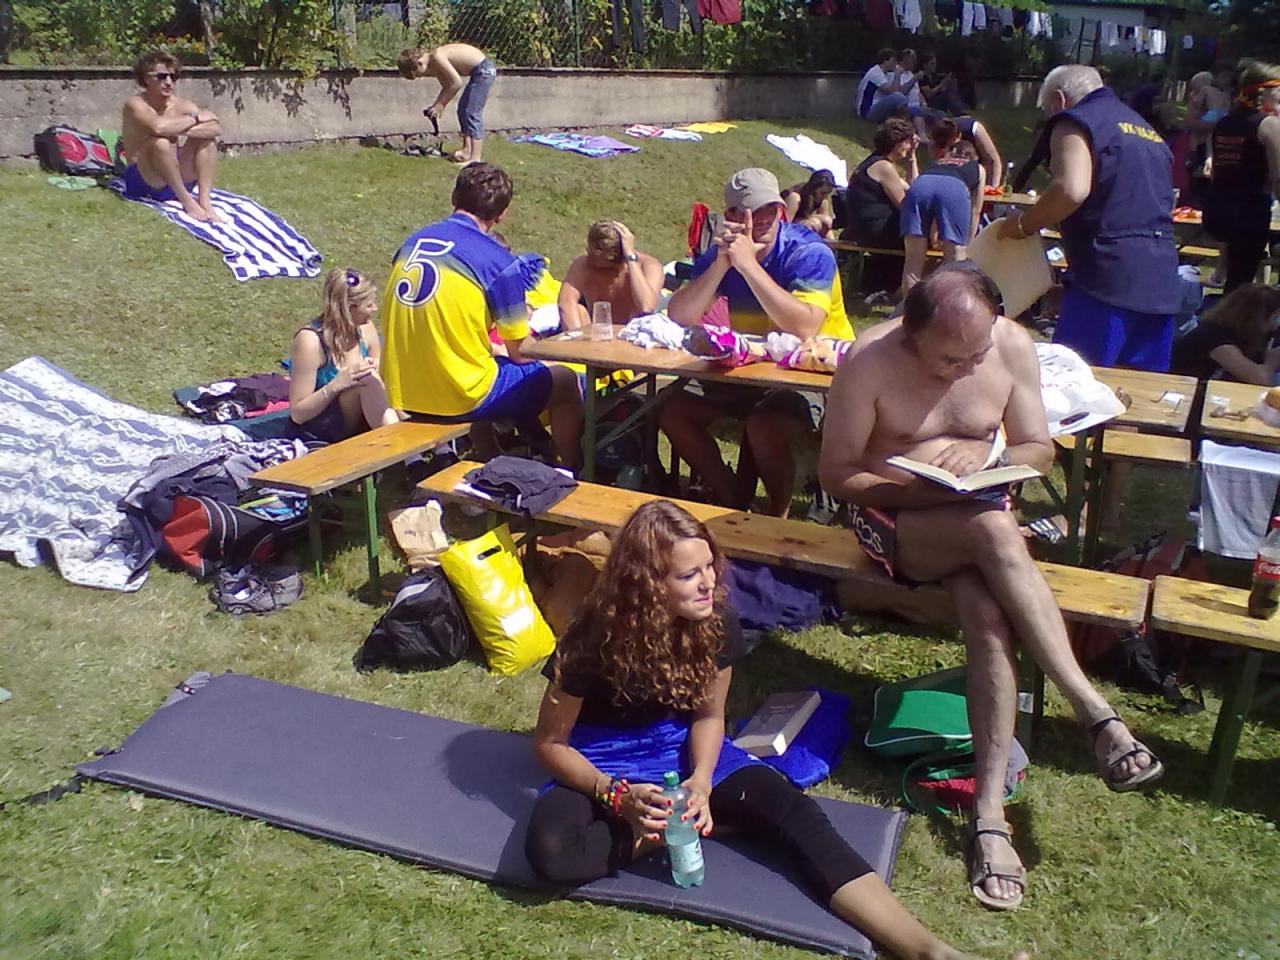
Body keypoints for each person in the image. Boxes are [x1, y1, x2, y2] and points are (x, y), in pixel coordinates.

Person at [526, 500, 1026, 960]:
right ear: (649, 584)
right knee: (554, 854)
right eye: (689, 575)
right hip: (603, 757)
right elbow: (550, 743)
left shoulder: (715, 620)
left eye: (709, 567)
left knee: (795, 813)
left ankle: (931, 952)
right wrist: (615, 796)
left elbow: (708, 717)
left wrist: (701, 781)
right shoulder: (591, 638)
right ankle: (694, 824)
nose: (708, 583)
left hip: (682, 750)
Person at [819, 263, 1165, 912]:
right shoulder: (868, 360)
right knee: (996, 532)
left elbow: (1038, 449)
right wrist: (922, 488)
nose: (966, 368)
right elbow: (837, 475)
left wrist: (991, 457)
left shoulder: (1009, 345)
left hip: (978, 511)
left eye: (975, 354)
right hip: (892, 519)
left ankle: (988, 818)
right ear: (911, 334)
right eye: (950, 359)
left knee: (987, 617)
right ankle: (1094, 713)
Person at [663, 168, 853, 517]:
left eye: (771, 208)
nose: (764, 218)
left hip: (817, 371)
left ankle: (776, 520)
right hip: (752, 367)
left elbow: (805, 327)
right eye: (752, 211)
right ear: (732, 216)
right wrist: (721, 265)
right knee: (672, 409)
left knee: (765, 425)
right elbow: (680, 314)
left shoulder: (808, 253)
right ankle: (733, 501)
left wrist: (749, 266)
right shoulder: (724, 252)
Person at [379, 163, 583, 467]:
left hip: (402, 390)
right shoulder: (498, 261)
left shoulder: (411, 244)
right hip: (455, 395)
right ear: (502, 214)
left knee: (483, 366)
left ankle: (492, 460)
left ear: (454, 198)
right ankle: (572, 472)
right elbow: (520, 352)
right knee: (565, 380)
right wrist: (556, 351)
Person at [999, 65, 1180, 372]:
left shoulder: (1075, 121)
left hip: (1105, 278)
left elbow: (1071, 190)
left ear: (1058, 100)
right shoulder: (1147, 132)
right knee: (1140, 392)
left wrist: (1022, 225)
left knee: (1073, 386)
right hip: (1161, 281)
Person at [286, 268, 399, 443]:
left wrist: (378, 366)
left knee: (378, 376)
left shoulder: (366, 329)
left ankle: (411, 437)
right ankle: (402, 445)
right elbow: (298, 414)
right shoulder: (310, 341)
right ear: (350, 308)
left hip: (365, 416)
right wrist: (337, 385)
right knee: (367, 379)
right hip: (324, 426)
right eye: (369, 305)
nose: (375, 309)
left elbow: (383, 375)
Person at [1204, 59, 1280, 294]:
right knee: (1242, 284)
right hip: (1250, 213)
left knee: (1235, 282)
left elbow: (1217, 170)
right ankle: (1233, 317)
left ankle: (1225, 313)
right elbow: (1278, 177)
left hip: (1219, 209)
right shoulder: (1268, 125)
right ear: (1264, 93)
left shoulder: (1224, 123)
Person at [120, 50, 222, 222]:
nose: (168, 82)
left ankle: (205, 201)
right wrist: (194, 119)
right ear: (145, 78)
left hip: (175, 175)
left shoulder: (181, 105)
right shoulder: (136, 104)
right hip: (145, 180)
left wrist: (179, 129)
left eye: (173, 77)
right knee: (160, 142)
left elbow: (215, 127)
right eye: (161, 77)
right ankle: (188, 203)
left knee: (207, 141)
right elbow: (158, 127)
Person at [900, 140, 986, 296]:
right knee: (955, 260)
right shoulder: (978, 168)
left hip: (920, 186)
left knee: (913, 261)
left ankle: (909, 307)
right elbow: (975, 210)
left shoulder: (938, 163)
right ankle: (950, 304)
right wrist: (967, 243)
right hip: (954, 188)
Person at [843, 118, 918, 295]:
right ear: (897, 143)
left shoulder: (875, 162)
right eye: (908, 143)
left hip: (863, 227)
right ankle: (912, 286)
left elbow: (914, 188)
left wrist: (912, 159)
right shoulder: (883, 167)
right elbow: (904, 206)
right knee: (921, 236)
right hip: (875, 230)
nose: (909, 147)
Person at [397, 43, 497, 165]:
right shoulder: (434, 64)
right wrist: (436, 106)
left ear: (419, 63)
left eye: (418, 74)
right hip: (478, 72)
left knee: (472, 112)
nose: (422, 76)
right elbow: (447, 86)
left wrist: (441, 105)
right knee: (462, 110)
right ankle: (467, 151)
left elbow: (456, 83)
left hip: (484, 70)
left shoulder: (437, 57)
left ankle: (475, 159)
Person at [557, 221, 664, 330]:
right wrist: (577, 338)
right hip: (597, 332)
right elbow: (566, 303)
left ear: (610, 257)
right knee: (579, 310)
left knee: (639, 315)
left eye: (592, 252)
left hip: (634, 334)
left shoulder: (649, 265)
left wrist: (630, 257)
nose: (587, 253)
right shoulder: (584, 264)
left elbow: (647, 307)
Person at [1170, 282, 1280, 382]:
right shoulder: (1216, 338)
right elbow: (1259, 378)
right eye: (1275, 318)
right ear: (1255, 318)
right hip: (1184, 389)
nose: (1275, 326)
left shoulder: (1246, 333)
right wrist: (1272, 361)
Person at [922, 111, 1003, 191]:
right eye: (943, 145)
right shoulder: (934, 143)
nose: (950, 149)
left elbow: (993, 160)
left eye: (951, 146)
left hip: (979, 162)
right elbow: (938, 168)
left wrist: (993, 187)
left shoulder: (974, 129)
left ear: (959, 136)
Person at [856, 48, 919, 124]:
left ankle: (903, 122)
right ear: (886, 61)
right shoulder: (876, 73)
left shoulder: (885, 74)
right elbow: (893, 92)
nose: (895, 64)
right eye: (893, 61)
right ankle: (906, 123)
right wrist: (897, 75)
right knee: (898, 97)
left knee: (900, 100)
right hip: (868, 111)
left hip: (877, 106)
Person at [783, 169, 838, 237]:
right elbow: (784, 225)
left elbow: (827, 228)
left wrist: (832, 242)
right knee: (814, 224)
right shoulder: (795, 197)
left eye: (828, 193)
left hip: (801, 221)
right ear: (814, 188)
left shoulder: (823, 200)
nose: (825, 196)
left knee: (827, 221)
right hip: (788, 226)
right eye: (823, 193)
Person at [917, 52, 967, 116]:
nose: (934, 66)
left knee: (951, 91)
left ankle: (960, 110)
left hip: (939, 101)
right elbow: (928, 94)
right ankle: (960, 114)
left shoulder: (935, 76)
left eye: (935, 64)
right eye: (932, 64)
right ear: (925, 65)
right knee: (948, 94)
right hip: (928, 103)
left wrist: (950, 82)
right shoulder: (922, 77)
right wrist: (942, 84)